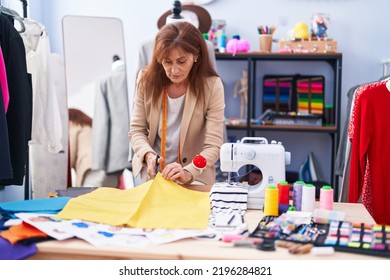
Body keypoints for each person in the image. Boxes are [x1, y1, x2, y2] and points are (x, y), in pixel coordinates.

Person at [129, 21, 225, 186]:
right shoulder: (145, 80)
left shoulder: (212, 86)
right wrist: (148, 156)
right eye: (167, 62)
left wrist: (189, 171)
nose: (174, 70)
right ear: (159, 59)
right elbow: (137, 130)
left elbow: (214, 146)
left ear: (196, 56)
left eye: (181, 62)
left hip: (195, 176)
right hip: (152, 175)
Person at [68, 108, 119, 188]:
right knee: (107, 199)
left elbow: (70, 153)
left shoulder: (73, 124)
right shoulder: (91, 126)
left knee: (88, 198)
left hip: (92, 168)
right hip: (111, 169)